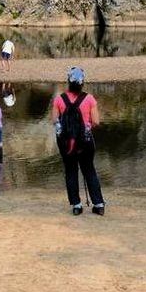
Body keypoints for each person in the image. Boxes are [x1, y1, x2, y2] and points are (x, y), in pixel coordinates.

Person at [52, 66, 105, 216]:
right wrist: (85, 127)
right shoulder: (89, 99)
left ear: (68, 81)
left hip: (67, 143)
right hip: (85, 142)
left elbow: (55, 120)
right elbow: (96, 121)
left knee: (70, 171)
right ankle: (98, 205)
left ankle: (76, 205)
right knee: (89, 170)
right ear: (82, 83)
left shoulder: (59, 99)